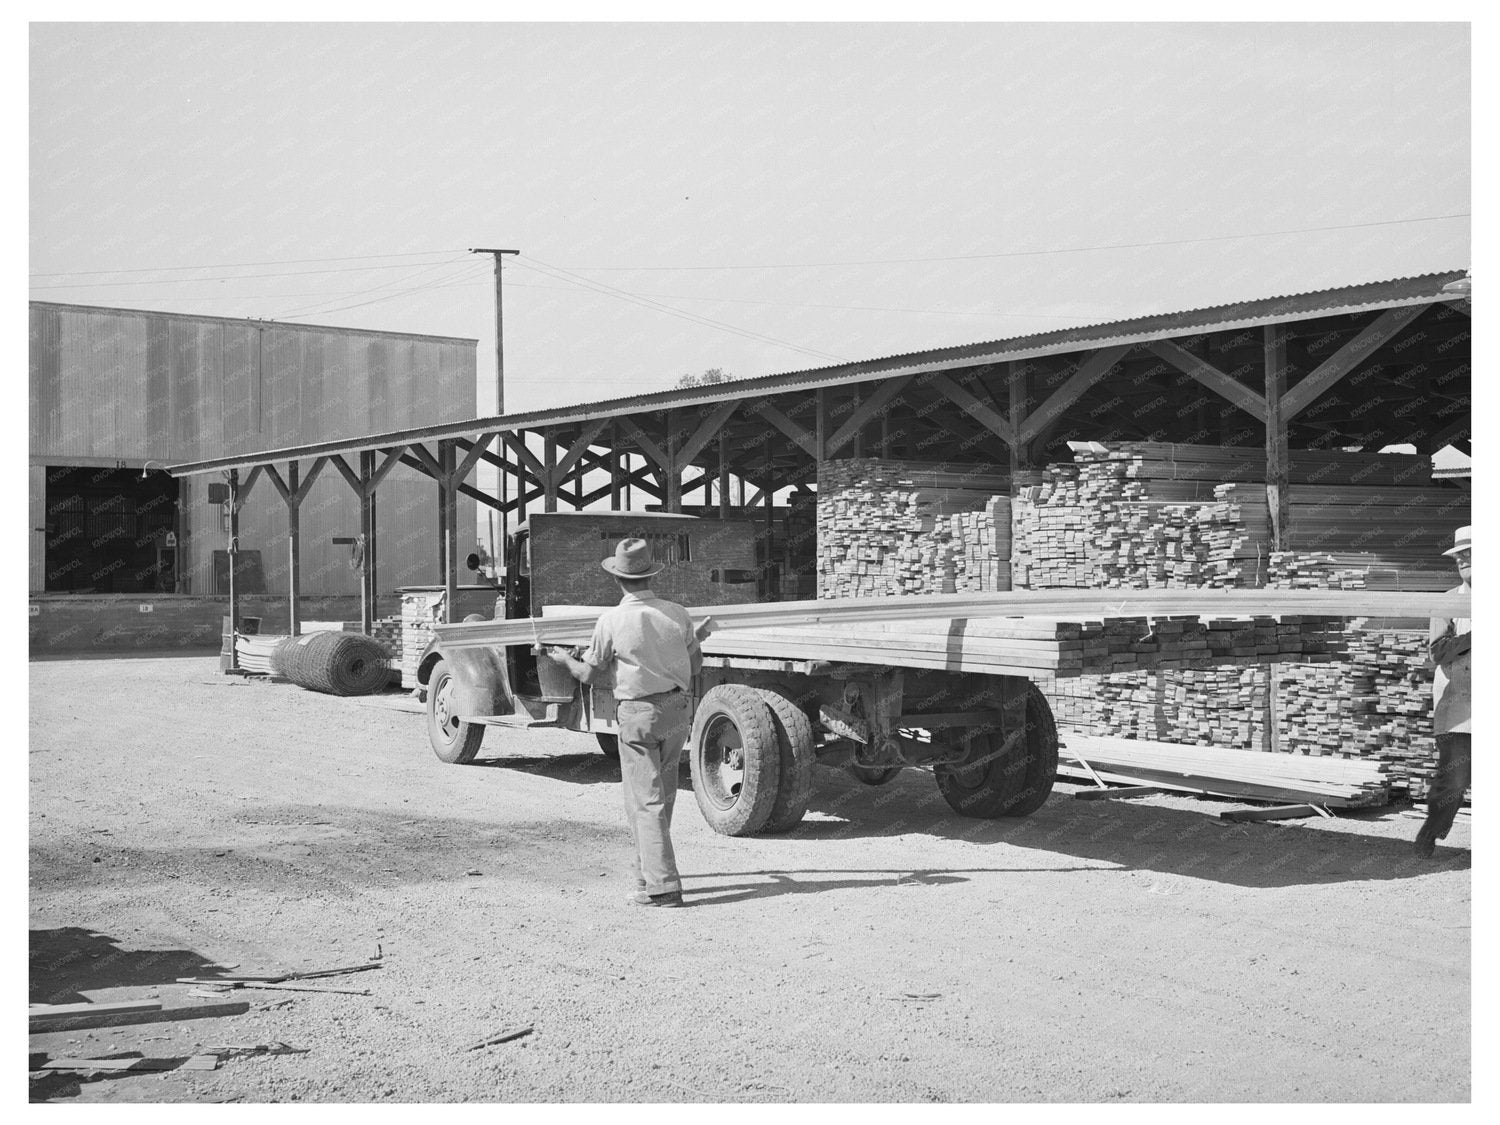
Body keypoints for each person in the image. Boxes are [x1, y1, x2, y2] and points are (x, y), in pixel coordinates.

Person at [539, 538, 701, 907]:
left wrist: (565, 660)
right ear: (649, 575)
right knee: (663, 795)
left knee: (644, 801)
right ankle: (647, 877)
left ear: (617, 579)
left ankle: (664, 888)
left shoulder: (611, 621)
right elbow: (696, 666)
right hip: (677, 710)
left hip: (638, 714)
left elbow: (590, 676)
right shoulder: (677, 613)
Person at [1416, 525, 1471, 858]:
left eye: (1470, 555)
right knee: (1453, 782)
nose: (1463, 561)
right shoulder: (1448, 603)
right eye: (1459, 558)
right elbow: (1437, 651)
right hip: (1459, 711)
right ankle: (1429, 835)